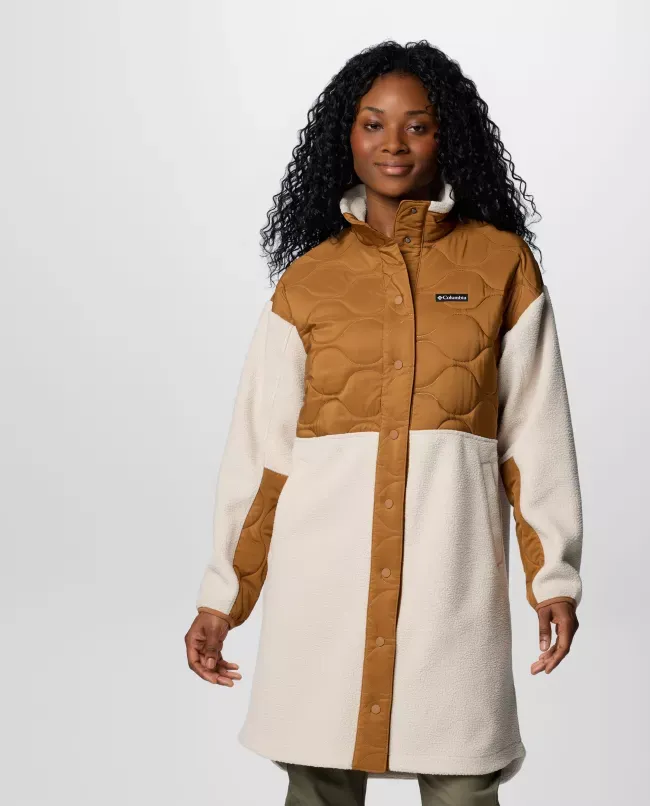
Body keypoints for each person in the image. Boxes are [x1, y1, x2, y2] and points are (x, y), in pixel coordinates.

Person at [184, 39, 583, 806]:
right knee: (318, 785)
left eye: (416, 125)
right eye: (373, 123)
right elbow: (262, 457)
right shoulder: (309, 281)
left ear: (446, 137)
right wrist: (221, 598)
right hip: (322, 594)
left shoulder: (502, 266)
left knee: (465, 784)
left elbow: (535, 439)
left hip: (451, 592)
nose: (393, 143)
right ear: (347, 135)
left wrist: (554, 582)